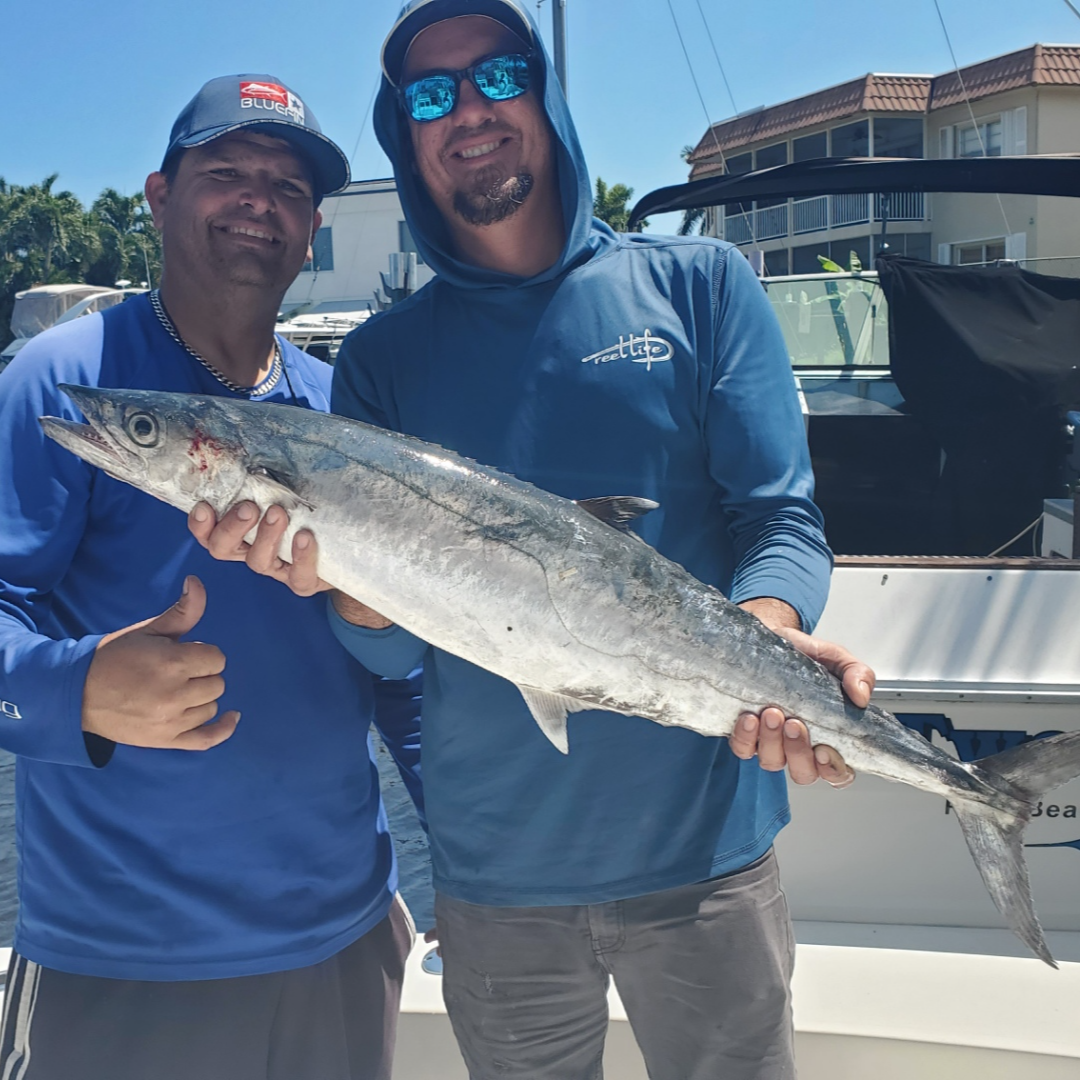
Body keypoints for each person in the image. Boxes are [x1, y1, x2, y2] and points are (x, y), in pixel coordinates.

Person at [192, 5, 876, 1077]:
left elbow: (778, 518)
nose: (467, 109)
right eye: (430, 94)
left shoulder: (698, 288)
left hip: (707, 851)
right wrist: (349, 580)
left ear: (546, 93)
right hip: (495, 875)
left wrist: (772, 633)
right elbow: (390, 652)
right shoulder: (382, 361)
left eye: (496, 74)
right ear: (403, 133)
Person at [0, 74, 422, 1080]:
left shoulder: (346, 408)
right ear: (158, 196)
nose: (257, 200)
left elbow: (402, 671)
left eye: (286, 185)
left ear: (312, 224)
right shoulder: (64, 382)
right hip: (126, 960)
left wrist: (465, 858)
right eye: (226, 171)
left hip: (346, 936)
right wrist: (77, 689)